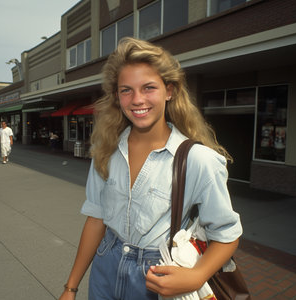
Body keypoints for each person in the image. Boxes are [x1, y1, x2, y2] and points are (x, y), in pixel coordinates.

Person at [59, 38, 242, 300]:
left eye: (148, 87)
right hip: (105, 267)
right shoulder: (106, 149)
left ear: (169, 91)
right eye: (126, 90)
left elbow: (227, 235)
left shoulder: (199, 159)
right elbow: (96, 218)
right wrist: (71, 287)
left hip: (158, 276)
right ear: (117, 96)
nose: (137, 99)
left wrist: (196, 276)